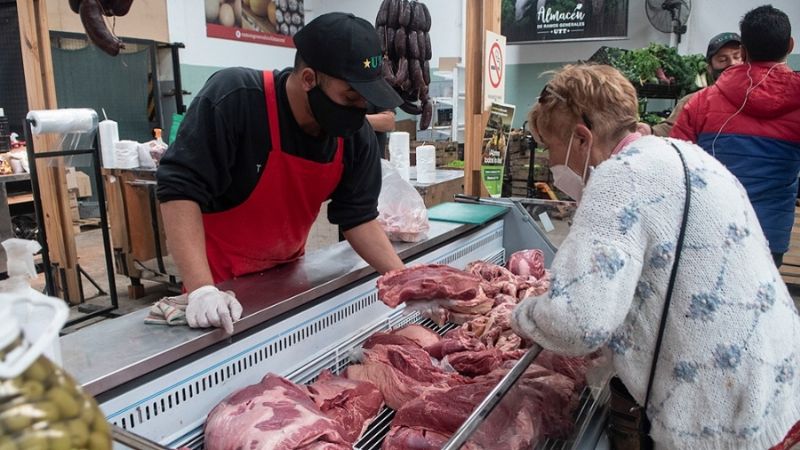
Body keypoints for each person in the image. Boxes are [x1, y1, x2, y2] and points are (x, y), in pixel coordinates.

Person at [510, 63, 800, 449]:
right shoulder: (682, 153)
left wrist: (519, 315)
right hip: (776, 387)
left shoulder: (618, 177)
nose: (549, 162)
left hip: (722, 419)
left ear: (581, 138)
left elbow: (577, 323)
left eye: (549, 147)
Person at [157, 13, 406, 333]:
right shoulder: (236, 99)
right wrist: (201, 289)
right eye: (350, 96)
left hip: (284, 279)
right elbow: (179, 189)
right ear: (308, 79)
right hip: (217, 285)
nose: (359, 109)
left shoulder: (354, 137)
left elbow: (358, 218)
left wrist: (406, 281)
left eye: (366, 100)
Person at [671, 5, 800, 267]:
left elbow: (674, 169)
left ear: (743, 51)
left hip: (708, 230)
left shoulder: (700, 103)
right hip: (769, 235)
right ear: (790, 45)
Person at [639, 32, 743, 137]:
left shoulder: (758, 98)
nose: (732, 63)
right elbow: (672, 128)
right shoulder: (694, 101)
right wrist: (651, 131)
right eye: (722, 60)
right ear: (709, 68)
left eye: (737, 57)